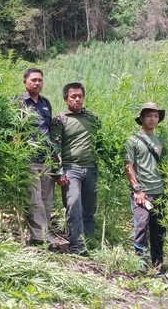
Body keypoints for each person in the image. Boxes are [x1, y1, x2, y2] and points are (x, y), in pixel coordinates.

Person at [54, 82, 101, 255]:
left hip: (91, 169)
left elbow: (102, 139)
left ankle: (89, 243)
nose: (77, 99)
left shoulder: (91, 117)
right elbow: (55, 147)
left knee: (89, 208)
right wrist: (59, 172)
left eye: (80, 96)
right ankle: (76, 245)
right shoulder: (60, 119)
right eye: (73, 96)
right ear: (66, 99)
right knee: (74, 204)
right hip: (70, 169)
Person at [19, 68, 59, 250]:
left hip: (46, 159)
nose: (37, 83)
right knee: (34, 200)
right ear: (25, 82)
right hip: (28, 158)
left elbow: (49, 131)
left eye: (40, 80)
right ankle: (39, 237)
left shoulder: (45, 103)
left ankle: (44, 233)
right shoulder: (18, 103)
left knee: (47, 199)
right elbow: (13, 131)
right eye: (33, 80)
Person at [125, 102, 166, 273]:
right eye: (149, 115)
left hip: (160, 191)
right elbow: (128, 165)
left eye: (156, 116)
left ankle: (158, 263)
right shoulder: (132, 140)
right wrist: (137, 189)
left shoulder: (160, 141)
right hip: (142, 192)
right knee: (141, 225)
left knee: (159, 229)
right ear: (141, 118)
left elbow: (163, 167)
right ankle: (140, 263)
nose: (152, 119)